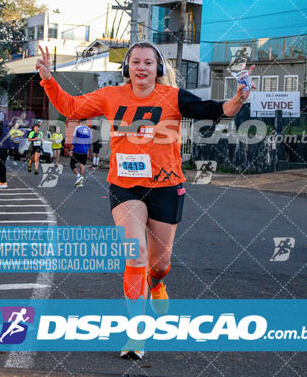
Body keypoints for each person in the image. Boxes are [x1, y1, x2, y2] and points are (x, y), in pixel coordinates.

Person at [36, 41, 255, 360]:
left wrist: (238, 97)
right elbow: (70, 108)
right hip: (125, 187)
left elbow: (216, 110)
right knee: (135, 255)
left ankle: (156, 284)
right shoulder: (111, 96)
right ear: (127, 68)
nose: (141, 67)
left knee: (159, 265)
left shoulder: (173, 98)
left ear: (158, 69)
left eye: (148, 63)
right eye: (135, 62)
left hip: (166, 187)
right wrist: (48, 79)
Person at [70, 118, 91, 187]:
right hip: (84, 150)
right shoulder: (89, 130)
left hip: (77, 149)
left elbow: (74, 139)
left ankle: (78, 176)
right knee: (82, 165)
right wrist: (87, 150)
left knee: (72, 164)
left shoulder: (78, 128)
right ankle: (81, 182)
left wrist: (71, 149)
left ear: (80, 122)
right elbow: (90, 142)